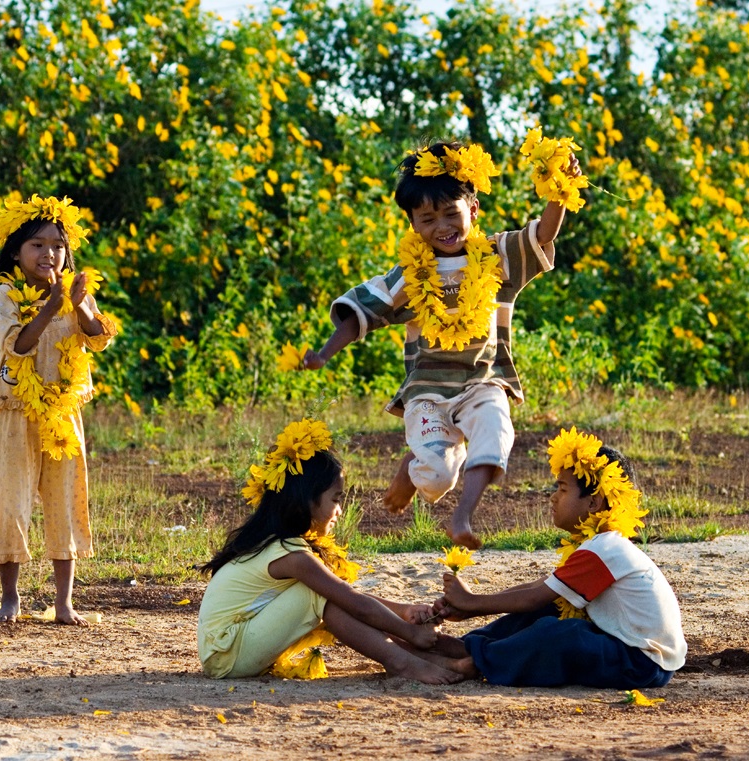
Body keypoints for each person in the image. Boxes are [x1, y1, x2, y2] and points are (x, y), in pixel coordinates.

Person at [304, 141, 582, 549]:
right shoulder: (409, 275)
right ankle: (415, 462)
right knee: (438, 474)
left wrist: (559, 187)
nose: (442, 226)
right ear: (414, 225)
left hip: (484, 380)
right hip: (428, 394)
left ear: (473, 210)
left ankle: (462, 518)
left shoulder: (497, 256)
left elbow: (542, 233)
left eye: (451, 213)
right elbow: (361, 313)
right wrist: (324, 354)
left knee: (496, 429)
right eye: (427, 218)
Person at [196, 418, 462, 684]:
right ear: (307, 500)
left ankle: (423, 658)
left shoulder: (279, 544)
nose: (339, 510)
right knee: (320, 594)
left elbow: (349, 599)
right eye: (335, 499)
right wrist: (409, 630)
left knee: (327, 595)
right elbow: (351, 600)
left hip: (229, 648)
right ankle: (402, 662)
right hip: (227, 654)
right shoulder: (290, 554)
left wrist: (403, 611)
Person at [422, 428, 687, 688]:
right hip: (623, 649)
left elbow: (533, 597)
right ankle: (465, 647)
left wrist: (472, 602)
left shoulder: (604, 549)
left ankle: (476, 660)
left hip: (641, 662)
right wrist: (471, 607)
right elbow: (539, 589)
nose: (553, 497)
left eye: (562, 489)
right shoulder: (597, 546)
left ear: (593, 503)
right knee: (549, 610)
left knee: (563, 633)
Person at [0, 194, 117, 626]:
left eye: (57, 245)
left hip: (63, 414)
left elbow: (98, 338)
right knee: (12, 500)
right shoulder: (7, 295)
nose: (49, 253)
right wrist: (51, 307)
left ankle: (64, 603)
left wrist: (75, 304)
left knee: (66, 502)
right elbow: (16, 347)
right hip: (18, 410)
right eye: (37, 245)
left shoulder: (78, 290)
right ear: (16, 253)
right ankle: (10, 598)